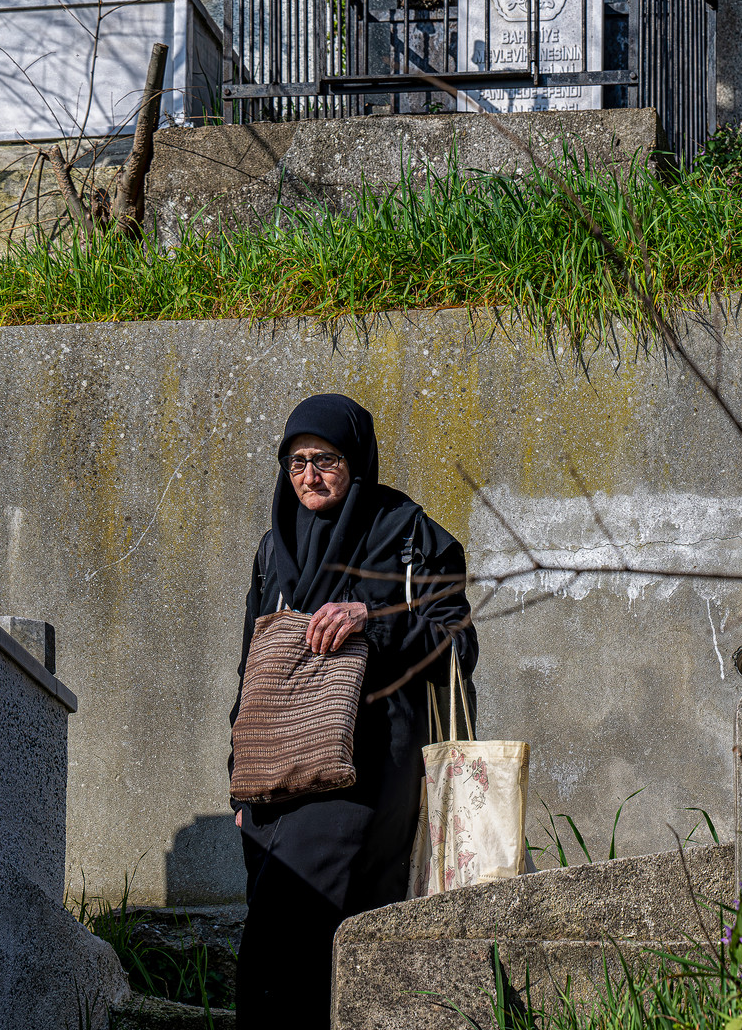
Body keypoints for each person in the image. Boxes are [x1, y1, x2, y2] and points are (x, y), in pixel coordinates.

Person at [228, 394, 477, 1029]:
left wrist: (374, 619)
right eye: (296, 463)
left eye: (326, 460)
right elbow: (250, 665)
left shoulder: (409, 534)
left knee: (290, 936)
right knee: (308, 940)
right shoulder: (272, 547)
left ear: (357, 460)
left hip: (366, 764)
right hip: (273, 774)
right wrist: (235, 775)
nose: (309, 476)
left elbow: (457, 641)